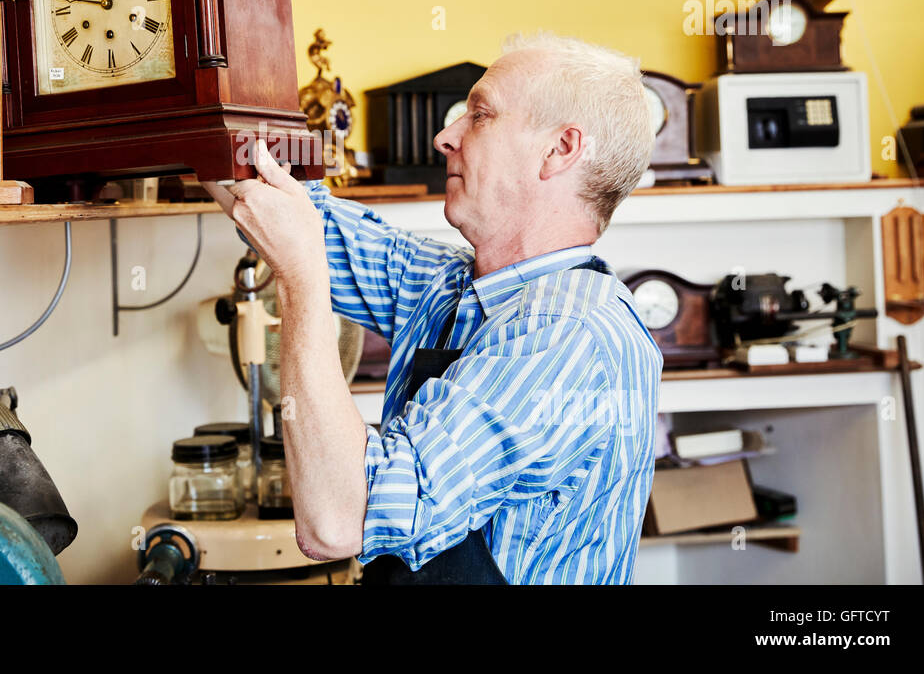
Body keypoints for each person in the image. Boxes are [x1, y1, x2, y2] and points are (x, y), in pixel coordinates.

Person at [204, 32, 663, 584]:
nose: (445, 136)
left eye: (480, 115)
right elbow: (274, 201)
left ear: (559, 150)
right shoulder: (448, 284)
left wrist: (300, 277)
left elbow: (339, 519)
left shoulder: (568, 337)